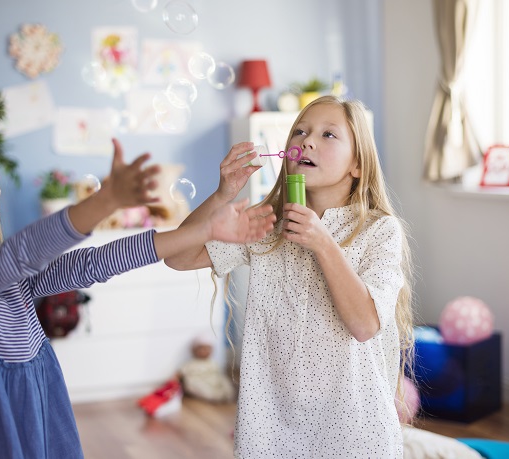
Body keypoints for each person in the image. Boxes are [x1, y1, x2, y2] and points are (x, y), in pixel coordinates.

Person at [0, 121, 275, 459]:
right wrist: (106, 200)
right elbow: (18, 256)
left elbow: (94, 263)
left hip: (34, 427)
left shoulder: (5, 284)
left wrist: (203, 231)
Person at [165, 96, 415, 458]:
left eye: (328, 135)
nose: (306, 141)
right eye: (300, 131)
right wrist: (223, 195)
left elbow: (364, 325)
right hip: (271, 428)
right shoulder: (266, 224)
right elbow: (177, 255)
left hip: (354, 429)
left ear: (357, 164)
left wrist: (323, 244)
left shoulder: (379, 230)